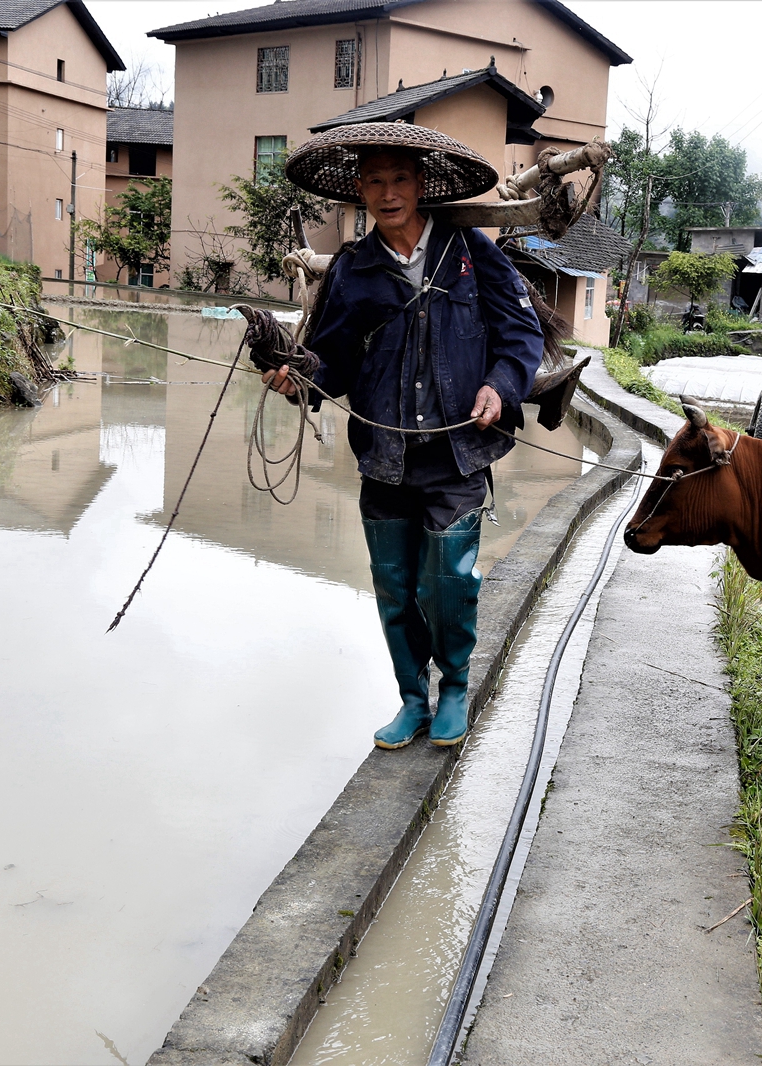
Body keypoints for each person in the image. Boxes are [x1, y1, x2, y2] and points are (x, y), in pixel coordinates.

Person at [268, 124, 544, 749]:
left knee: (448, 582)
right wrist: (298, 380)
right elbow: (331, 360)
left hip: (457, 450)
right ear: (359, 191)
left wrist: (500, 386)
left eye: (399, 178)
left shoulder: (470, 252)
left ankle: (453, 689)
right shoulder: (353, 269)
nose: (387, 192)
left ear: (421, 184)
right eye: (374, 180)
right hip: (385, 455)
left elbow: (521, 336)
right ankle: (412, 698)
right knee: (394, 585)